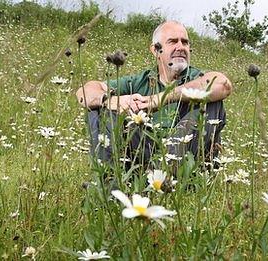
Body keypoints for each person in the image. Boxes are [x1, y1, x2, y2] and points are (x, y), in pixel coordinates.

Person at [76, 20, 232, 170]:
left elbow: (222, 84)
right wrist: (111, 100)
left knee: (212, 100)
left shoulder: (196, 77)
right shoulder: (139, 81)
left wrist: (159, 99)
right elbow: (85, 92)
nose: (180, 47)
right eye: (172, 41)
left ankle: (170, 177)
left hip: (188, 158)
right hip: (145, 153)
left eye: (185, 42)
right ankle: (111, 184)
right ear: (156, 50)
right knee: (99, 109)